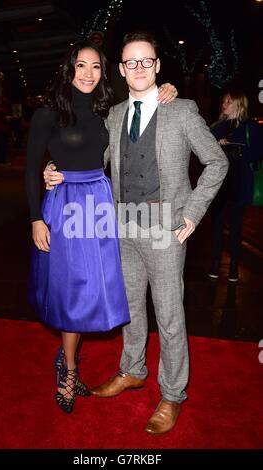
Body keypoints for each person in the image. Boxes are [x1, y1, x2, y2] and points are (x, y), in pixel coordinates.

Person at [44, 31, 229, 434]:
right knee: (130, 310)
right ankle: (132, 369)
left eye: (147, 60)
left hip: (166, 231)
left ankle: (173, 394)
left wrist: (193, 214)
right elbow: (90, 159)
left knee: (170, 317)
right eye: (131, 62)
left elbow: (217, 162)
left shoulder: (181, 110)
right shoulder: (111, 116)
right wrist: (53, 169)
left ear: (158, 67)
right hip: (121, 228)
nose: (139, 67)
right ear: (123, 70)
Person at [25, 39, 177, 415]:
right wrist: (35, 218)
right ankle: (70, 370)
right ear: (69, 69)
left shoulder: (106, 111)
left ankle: (76, 357)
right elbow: (31, 169)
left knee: (97, 286)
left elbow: (140, 113)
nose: (88, 74)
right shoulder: (48, 115)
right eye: (81, 66)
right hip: (64, 208)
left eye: (95, 67)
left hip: (101, 205)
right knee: (70, 290)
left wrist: (167, 89)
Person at [208, 89, 263, 282]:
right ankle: (215, 263)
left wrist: (235, 150)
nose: (224, 104)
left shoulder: (251, 127)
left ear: (239, 104)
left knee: (236, 227)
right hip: (219, 184)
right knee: (216, 226)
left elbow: (257, 153)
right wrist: (217, 145)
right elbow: (203, 154)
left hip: (240, 183)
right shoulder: (217, 127)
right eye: (223, 101)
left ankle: (233, 266)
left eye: (228, 101)